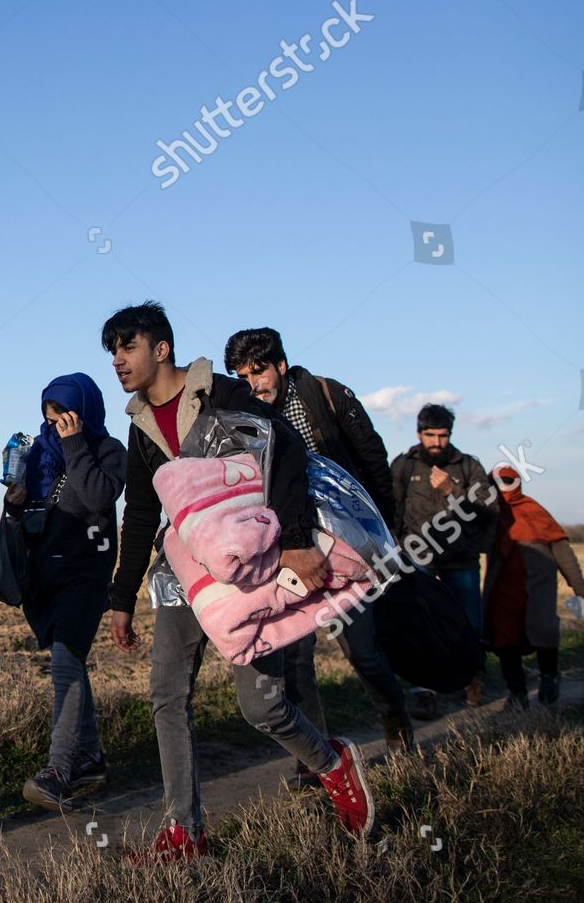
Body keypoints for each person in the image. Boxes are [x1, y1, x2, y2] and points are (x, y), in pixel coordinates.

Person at [103, 302, 376, 863]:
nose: (118, 361)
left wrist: (298, 541)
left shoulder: (222, 395)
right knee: (167, 694)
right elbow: (138, 514)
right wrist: (122, 599)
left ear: (161, 349)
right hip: (185, 575)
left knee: (262, 706)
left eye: (127, 347)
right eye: (112, 352)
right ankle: (184, 832)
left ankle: (333, 764)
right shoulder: (140, 426)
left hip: (251, 569)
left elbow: (287, 455)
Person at [223, 327, 413, 790]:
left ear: (281, 366)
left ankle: (396, 724)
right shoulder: (245, 417)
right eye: (242, 374)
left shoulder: (325, 395)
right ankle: (318, 761)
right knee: (296, 661)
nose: (253, 382)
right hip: (289, 549)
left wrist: (383, 535)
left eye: (259, 369)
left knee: (364, 652)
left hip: (345, 549)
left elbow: (372, 458)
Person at [3, 373, 126, 811]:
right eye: (50, 419)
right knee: (68, 661)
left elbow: (97, 498)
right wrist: (13, 504)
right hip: (44, 576)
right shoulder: (38, 454)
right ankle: (89, 756)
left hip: (86, 575)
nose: (56, 427)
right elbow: (30, 515)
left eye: (64, 417)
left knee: (65, 665)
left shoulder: (109, 452)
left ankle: (58, 772)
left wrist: (75, 445)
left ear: (83, 412)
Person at [389, 404, 495, 717]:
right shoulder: (405, 465)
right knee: (419, 626)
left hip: (460, 559)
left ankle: (471, 679)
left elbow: (486, 512)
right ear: (419, 433)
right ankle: (423, 691)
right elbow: (391, 506)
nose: (437, 442)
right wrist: (394, 548)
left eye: (443, 435)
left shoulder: (468, 466)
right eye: (430, 435)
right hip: (416, 558)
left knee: (468, 624)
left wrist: (452, 490)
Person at [484, 467, 584, 709]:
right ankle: (517, 693)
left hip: (537, 582)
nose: (503, 487)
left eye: (507, 481)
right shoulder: (489, 514)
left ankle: (549, 675)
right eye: (497, 482)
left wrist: (579, 585)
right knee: (504, 636)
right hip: (503, 585)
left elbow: (562, 550)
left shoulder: (534, 510)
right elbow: (476, 541)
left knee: (542, 629)